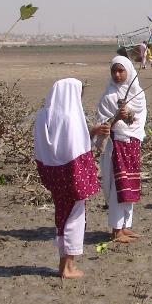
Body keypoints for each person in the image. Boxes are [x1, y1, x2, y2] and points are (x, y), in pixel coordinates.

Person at [34, 78, 106, 279]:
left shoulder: (43, 115)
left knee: (62, 217)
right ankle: (67, 266)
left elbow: (51, 145)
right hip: (72, 174)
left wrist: (92, 131)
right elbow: (77, 147)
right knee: (75, 218)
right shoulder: (71, 117)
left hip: (52, 174)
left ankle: (64, 264)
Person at [97, 55, 147, 244]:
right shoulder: (108, 96)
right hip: (116, 145)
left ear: (129, 71)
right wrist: (117, 117)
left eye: (121, 70)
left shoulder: (138, 94)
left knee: (130, 186)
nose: (117, 75)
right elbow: (102, 126)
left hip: (133, 144)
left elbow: (139, 119)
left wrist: (130, 114)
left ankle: (125, 225)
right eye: (114, 71)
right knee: (117, 186)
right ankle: (116, 230)